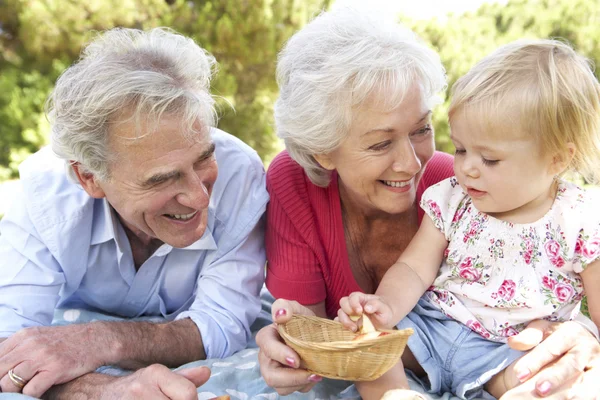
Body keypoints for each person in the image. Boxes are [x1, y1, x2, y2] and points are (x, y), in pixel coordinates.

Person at [255, 7, 600, 400]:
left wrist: (586, 337)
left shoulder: (572, 217)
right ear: (322, 152)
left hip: (505, 347)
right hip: (430, 329)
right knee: (371, 354)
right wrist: (367, 316)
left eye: (422, 129)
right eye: (381, 143)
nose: (412, 163)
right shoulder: (454, 197)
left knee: (533, 381)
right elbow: (410, 271)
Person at [0, 27, 269, 398]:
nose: (199, 198)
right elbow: (9, 343)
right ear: (90, 178)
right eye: (162, 179)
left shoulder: (240, 173)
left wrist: (102, 340)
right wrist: (103, 390)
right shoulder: (46, 194)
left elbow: (221, 324)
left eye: (203, 158)